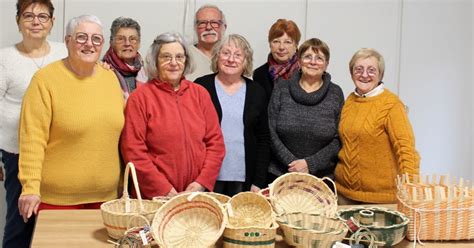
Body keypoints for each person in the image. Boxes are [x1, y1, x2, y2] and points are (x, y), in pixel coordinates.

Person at [17, 14, 124, 224]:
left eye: (96, 39)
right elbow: (32, 139)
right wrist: (30, 186)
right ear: (68, 41)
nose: (89, 44)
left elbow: (119, 136)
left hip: (106, 200)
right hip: (57, 200)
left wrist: (121, 183)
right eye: (81, 37)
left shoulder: (111, 78)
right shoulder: (45, 80)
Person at [120, 32, 225, 199]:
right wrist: (164, 190)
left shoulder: (200, 94)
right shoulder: (140, 98)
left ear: (186, 60)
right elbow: (133, 151)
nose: (174, 63)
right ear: (155, 60)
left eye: (179, 57)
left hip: (196, 196)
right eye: (166, 57)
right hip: (154, 198)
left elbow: (215, 144)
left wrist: (201, 183)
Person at [0, 0, 67, 247]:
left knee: (55, 221)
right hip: (18, 153)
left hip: (58, 152)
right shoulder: (5, 59)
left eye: (42, 16)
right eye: (28, 16)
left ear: (52, 22)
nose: (36, 22)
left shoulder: (64, 52)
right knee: (21, 221)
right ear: (18, 21)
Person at [335, 48, 420, 204]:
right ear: (351, 73)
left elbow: (406, 150)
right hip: (344, 195)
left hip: (381, 200)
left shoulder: (391, 105)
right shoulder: (350, 101)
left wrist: (410, 189)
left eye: (371, 70)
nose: (364, 75)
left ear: (380, 74)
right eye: (358, 69)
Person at [195, 34, 270, 196]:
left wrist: (258, 181)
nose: (231, 59)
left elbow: (264, 138)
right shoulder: (201, 87)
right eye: (226, 53)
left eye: (238, 55)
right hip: (205, 176)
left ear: (245, 61)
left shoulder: (257, 91)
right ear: (217, 56)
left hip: (244, 178)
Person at [267, 38, 344, 186]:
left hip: (321, 180)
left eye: (319, 58)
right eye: (308, 57)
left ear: (326, 64)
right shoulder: (281, 88)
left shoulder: (336, 93)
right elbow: (270, 131)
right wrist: (293, 164)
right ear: (300, 61)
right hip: (280, 176)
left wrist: (310, 163)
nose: (313, 62)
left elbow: (339, 138)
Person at [253, 19, 301, 101]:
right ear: (270, 44)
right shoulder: (259, 74)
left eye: (287, 42)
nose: (281, 47)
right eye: (276, 41)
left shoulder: (305, 72)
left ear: (296, 45)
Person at [103, 17, 147, 100]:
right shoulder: (103, 71)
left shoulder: (148, 74)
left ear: (139, 43)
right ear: (111, 42)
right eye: (121, 39)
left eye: (132, 39)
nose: (127, 43)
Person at [185, 4, 227, 81]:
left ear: (224, 27)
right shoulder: (183, 55)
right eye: (202, 23)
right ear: (195, 28)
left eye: (214, 23)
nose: (208, 27)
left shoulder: (234, 57)